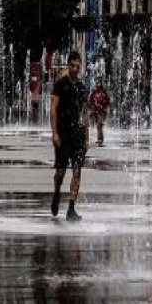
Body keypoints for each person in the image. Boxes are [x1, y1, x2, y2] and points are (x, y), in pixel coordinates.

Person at [50, 50, 89, 222]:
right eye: (72, 65)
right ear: (68, 65)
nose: (74, 69)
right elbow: (53, 109)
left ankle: (71, 208)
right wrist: (54, 133)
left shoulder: (82, 88)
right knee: (61, 172)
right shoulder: (60, 84)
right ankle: (57, 191)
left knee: (77, 171)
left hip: (77, 135)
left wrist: (87, 137)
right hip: (63, 133)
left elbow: (85, 113)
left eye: (77, 66)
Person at [89, 81, 110, 146]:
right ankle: (100, 139)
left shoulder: (104, 93)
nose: (97, 87)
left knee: (99, 125)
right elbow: (90, 100)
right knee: (99, 127)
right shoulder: (93, 93)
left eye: (98, 86)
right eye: (96, 86)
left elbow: (108, 102)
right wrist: (91, 109)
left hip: (102, 112)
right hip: (95, 111)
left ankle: (100, 140)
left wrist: (105, 108)